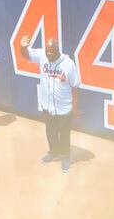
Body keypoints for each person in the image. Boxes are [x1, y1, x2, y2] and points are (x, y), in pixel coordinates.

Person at [20, 35, 80, 173]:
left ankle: (65, 156)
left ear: (57, 49)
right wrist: (22, 47)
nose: (49, 53)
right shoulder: (42, 56)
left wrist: (75, 108)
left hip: (64, 106)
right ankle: (53, 151)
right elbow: (25, 55)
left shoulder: (68, 63)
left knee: (64, 133)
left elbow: (75, 87)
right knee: (50, 131)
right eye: (47, 50)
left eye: (52, 51)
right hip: (47, 105)